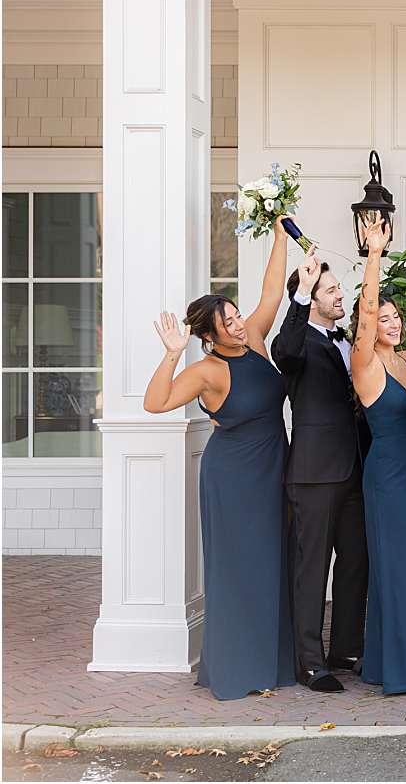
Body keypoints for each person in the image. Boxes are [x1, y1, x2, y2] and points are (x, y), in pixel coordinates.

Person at [143, 219, 296, 700]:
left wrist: (279, 238)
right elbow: (155, 403)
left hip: (274, 464)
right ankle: (236, 669)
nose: (237, 323)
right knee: (237, 567)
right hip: (232, 476)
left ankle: (270, 663)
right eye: (226, 321)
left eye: (234, 315)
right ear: (208, 336)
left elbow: (273, 291)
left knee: (273, 562)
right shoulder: (206, 369)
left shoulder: (253, 337)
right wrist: (171, 353)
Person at [349, 219, 406, 695]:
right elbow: (365, 313)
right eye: (383, 319)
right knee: (404, 567)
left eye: (394, 317)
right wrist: (374, 255)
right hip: (387, 478)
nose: (391, 322)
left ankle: (385, 662)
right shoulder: (364, 364)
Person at [270, 250, 368, 692]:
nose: (339, 294)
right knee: (313, 568)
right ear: (311, 298)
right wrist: (304, 290)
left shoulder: (342, 339)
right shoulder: (297, 342)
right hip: (314, 472)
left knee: (355, 561)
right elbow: (284, 352)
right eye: (331, 290)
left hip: (355, 468)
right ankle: (309, 662)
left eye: (336, 288)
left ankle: (344, 649)